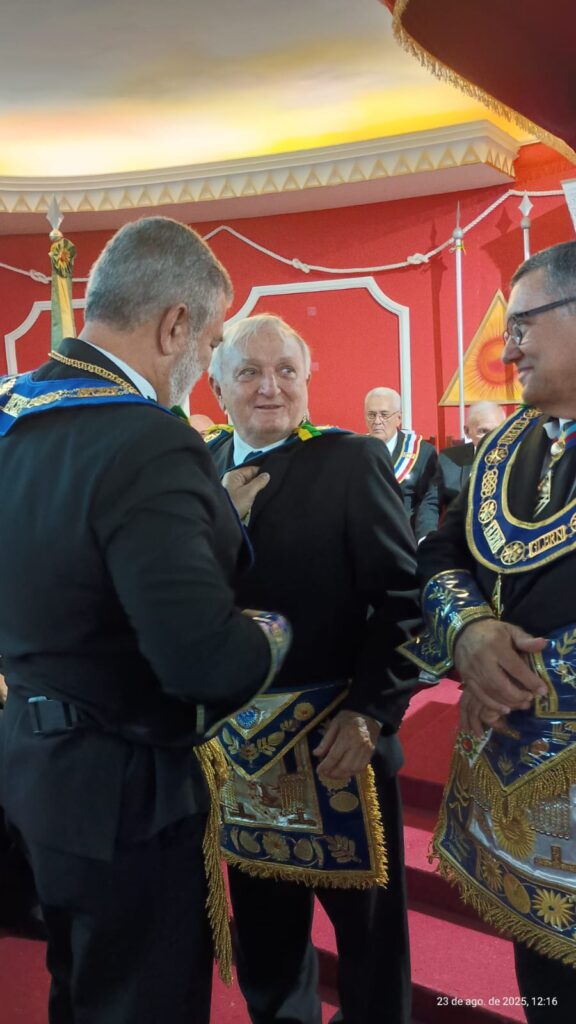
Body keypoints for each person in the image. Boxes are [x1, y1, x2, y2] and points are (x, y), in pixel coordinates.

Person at [0, 218, 290, 1024]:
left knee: (78, 988)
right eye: (213, 342)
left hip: (32, 769)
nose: (207, 362)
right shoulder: (148, 442)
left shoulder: (14, 411)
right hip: (124, 794)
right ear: (174, 326)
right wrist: (272, 633)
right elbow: (203, 662)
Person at [207, 314, 421, 1024]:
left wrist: (372, 711)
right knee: (267, 946)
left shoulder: (350, 459)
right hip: (239, 756)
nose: (270, 387)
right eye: (249, 372)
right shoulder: (198, 466)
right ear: (217, 388)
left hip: (340, 747)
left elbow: (404, 600)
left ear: (307, 380)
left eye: (286, 371)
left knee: (370, 948)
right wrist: (221, 520)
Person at [406, 241, 576, 1022]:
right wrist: (470, 634)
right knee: (547, 994)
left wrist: (513, 678)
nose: (506, 352)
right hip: (518, 806)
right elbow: (441, 553)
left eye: (522, 327)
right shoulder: (506, 443)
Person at [364, 386, 439, 541]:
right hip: (364, 537)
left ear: (398, 418)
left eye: (384, 415)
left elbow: (428, 502)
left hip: (403, 537)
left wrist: (425, 539)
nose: (377, 421)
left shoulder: (422, 453)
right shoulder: (355, 451)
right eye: (371, 415)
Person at [438, 401, 507, 509]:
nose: (491, 437)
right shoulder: (448, 460)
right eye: (483, 431)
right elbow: (431, 503)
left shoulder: (518, 458)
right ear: (467, 431)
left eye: (497, 431)